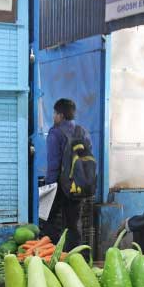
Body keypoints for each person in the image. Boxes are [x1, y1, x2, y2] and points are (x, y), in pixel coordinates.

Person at [41, 98, 92, 251]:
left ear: (60, 115)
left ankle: (52, 255)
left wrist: (49, 187)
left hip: (59, 184)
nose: (54, 117)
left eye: (55, 114)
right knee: (73, 223)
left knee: (49, 221)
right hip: (80, 184)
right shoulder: (82, 132)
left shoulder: (55, 133)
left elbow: (54, 164)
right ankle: (76, 257)